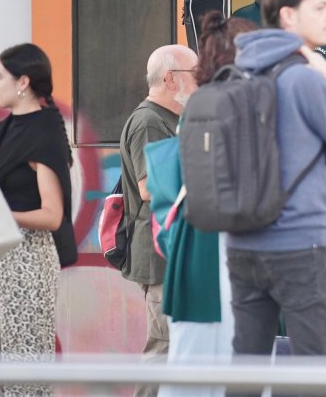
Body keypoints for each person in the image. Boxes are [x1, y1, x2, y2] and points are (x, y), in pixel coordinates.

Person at [225, 0, 326, 366]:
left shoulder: (238, 71)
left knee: (248, 367)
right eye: (320, 7)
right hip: (297, 243)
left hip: (244, 243)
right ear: (288, 16)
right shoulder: (304, 79)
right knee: (311, 370)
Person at [154, 12, 257, 397]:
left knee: (196, 356)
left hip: (198, 241)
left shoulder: (203, 104)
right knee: (218, 356)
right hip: (218, 244)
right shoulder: (229, 105)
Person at [0, 43, 76, 396]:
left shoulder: (43, 132)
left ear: (23, 82)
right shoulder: (8, 128)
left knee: (23, 372)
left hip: (26, 263)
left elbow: (52, 215)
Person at [119, 43, 199, 396]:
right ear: (170, 79)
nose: (201, 82)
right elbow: (151, 187)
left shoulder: (171, 119)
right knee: (164, 348)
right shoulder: (149, 120)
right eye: (195, 75)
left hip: (172, 250)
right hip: (160, 255)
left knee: (177, 349)